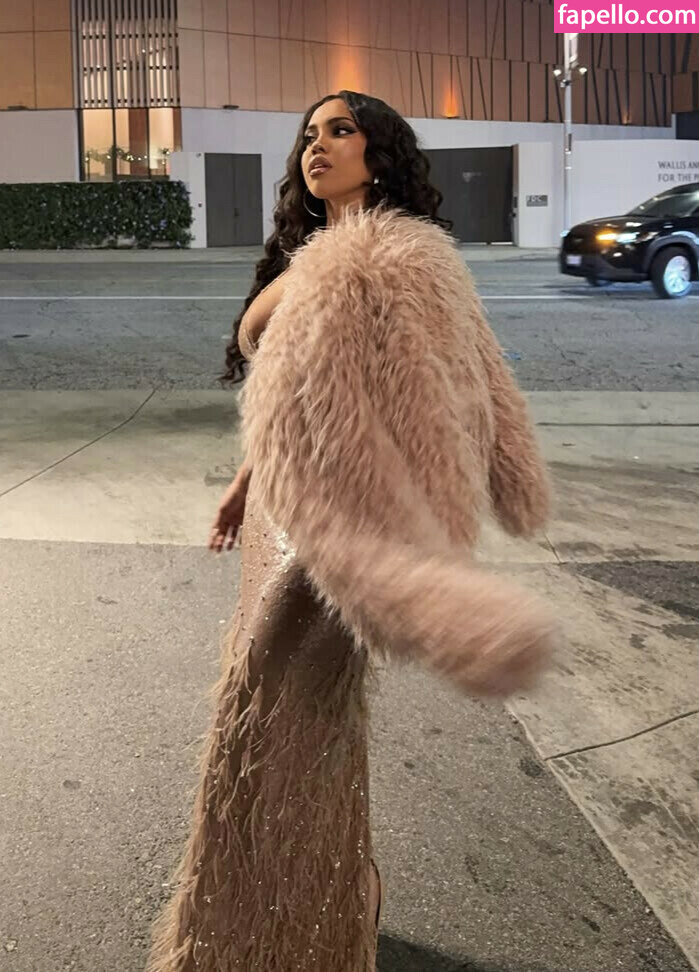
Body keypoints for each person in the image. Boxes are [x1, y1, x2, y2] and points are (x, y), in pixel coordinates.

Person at [147, 91, 554, 972]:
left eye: (340, 130)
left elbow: (450, 393)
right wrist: (244, 485)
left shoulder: (398, 257)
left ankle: (300, 919)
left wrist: (420, 550)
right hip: (280, 510)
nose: (317, 145)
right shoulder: (310, 253)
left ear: (382, 153)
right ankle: (317, 904)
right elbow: (296, 404)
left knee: (279, 714)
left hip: (337, 525)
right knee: (285, 717)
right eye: (309, 134)